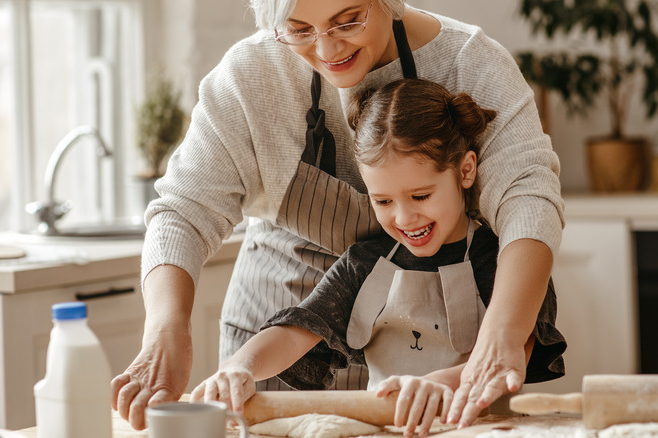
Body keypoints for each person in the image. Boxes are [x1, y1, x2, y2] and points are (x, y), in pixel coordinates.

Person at [111, 0, 565, 431]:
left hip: (433, 374)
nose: (327, 49)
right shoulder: (249, 75)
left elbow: (527, 198)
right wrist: (167, 331)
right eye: (299, 30)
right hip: (282, 356)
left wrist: (502, 334)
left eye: (348, 20)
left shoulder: (471, 61)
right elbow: (183, 210)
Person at [189, 78, 566, 438]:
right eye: (383, 201)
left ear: (465, 170)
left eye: (421, 196)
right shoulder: (365, 264)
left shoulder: (505, 260)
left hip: (485, 429)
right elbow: (295, 333)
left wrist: (440, 386)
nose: (403, 218)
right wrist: (240, 367)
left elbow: (518, 346)